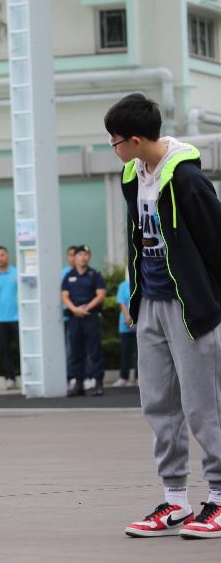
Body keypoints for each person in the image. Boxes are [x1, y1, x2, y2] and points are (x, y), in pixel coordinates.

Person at [106, 93, 221, 539]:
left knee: (203, 405)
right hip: (151, 303)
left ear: (135, 139)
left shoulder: (188, 180)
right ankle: (175, 502)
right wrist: (138, 302)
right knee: (158, 404)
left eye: (115, 141)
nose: (113, 148)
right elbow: (140, 241)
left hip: (192, 309)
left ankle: (217, 498)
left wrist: (211, 304)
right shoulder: (133, 175)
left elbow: (215, 246)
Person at [61, 245, 106, 397]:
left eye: (86, 254)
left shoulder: (95, 275)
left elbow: (100, 294)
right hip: (74, 318)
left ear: (89, 257)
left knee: (94, 351)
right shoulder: (69, 276)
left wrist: (86, 307)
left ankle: (98, 383)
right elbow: (65, 296)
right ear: (75, 257)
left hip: (90, 317)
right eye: (80, 254)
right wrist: (74, 309)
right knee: (75, 351)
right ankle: (78, 384)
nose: (83, 257)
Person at [0, 246, 19, 390]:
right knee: (5, 350)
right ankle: (10, 378)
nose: (0, 258)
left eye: (2, 255)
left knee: (22, 348)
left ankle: (27, 375)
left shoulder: (17, 273)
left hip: (17, 317)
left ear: (7, 256)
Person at [114, 269, 136, 387]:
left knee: (139, 352)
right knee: (125, 352)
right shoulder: (123, 285)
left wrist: (135, 319)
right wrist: (128, 317)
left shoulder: (139, 282)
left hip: (138, 323)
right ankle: (124, 377)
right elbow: (121, 302)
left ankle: (139, 378)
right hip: (125, 324)